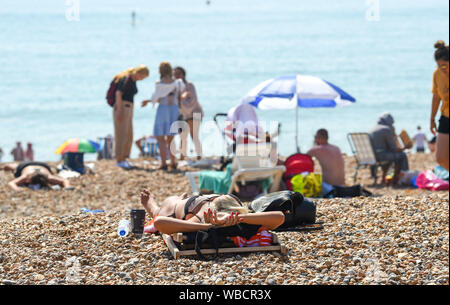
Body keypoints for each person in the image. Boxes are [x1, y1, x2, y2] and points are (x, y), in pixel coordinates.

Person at [139, 189, 285, 235]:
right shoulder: (204, 216)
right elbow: (160, 223)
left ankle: (183, 197)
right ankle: (150, 203)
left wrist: (240, 218)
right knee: (159, 211)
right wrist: (208, 225)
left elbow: (280, 217)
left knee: (176, 202)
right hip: (181, 207)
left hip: (211, 200)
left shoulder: (236, 213)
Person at [142, 62, 184, 170]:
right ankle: (173, 162)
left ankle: (164, 163)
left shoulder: (159, 84)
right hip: (174, 110)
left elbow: (156, 98)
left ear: (160, 71)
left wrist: (148, 101)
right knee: (171, 138)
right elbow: (180, 97)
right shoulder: (178, 83)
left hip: (163, 110)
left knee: (160, 138)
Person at [112, 65, 150, 169]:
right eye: (142, 76)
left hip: (129, 107)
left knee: (128, 134)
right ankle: (119, 159)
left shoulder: (132, 81)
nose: (141, 79)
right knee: (121, 134)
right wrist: (119, 111)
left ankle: (124, 157)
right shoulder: (126, 79)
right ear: (138, 73)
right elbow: (118, 94)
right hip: (122, 107)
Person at [369, 113, 411, 185]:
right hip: (381, 156)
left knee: (391, 156)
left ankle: (384, 178)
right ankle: (399, 177)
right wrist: (405, 147)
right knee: (402, 155)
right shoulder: (386, 129)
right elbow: (394, 148)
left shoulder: (372, 129)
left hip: (372, 156)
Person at [174, 66, 204, 161]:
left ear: (183, 75)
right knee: (183, 136)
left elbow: (193, 101)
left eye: (178, 73)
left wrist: (180, 102)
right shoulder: (175, 87)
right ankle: (182, 156)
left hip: (194, 113)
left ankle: (199, 156)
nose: (176, 76)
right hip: (183, 114)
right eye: (175, 74)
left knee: (194, 135)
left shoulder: (189, 85)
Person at [306, 129, 346, 194]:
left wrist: (314, 144)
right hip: (342, 187)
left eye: (315, 137)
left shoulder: (317, 149)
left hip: (329, 188)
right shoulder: (336, 148)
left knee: (305, 176)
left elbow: (303, 158)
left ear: (318, 138)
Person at [430, 40, 449, 170]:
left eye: (445, 65)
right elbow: (436, 97)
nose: (442, 69)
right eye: (439, 66)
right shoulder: (437, 74)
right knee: (441, 158)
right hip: (446, 116)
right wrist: (432, 119)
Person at [1, 161, 73, 192]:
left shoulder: (48, 176)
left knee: (13, 166)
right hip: (26, 166)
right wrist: (67, 186)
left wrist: (67, 186)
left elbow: (12, 183)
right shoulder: (26, 176)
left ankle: (5, 166)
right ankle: (4, 167)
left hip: (41, 166)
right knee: (13, 167)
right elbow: (64, 181)